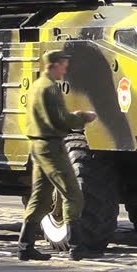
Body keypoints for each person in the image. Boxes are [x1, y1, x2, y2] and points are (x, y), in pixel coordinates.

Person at [18, 50, 100, 261]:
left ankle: (25, 245)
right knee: (73, 195)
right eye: (63, 65)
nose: (65, 69)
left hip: (37, 146)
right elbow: (61, 120)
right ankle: (76, 246)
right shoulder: (50, 89)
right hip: (52, 147)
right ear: (53, 65)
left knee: (41, 198)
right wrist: (83, 117)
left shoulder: (37, 86)